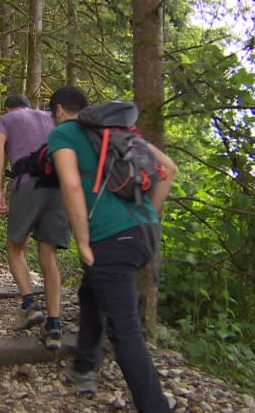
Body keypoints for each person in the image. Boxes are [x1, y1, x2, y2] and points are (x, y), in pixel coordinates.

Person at [48, 86, 177, 412]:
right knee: (92, 289)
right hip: (144, 231)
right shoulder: (116, 132)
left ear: (60, 111)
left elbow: (71, 184)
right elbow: (169, 169)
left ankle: (155, 406)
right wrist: (149, 217)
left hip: (110, 239)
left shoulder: (62, 134)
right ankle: (85, 366)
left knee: (125, 330)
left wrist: (82, 240)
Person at [0, 93, 72, 349]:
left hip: (27, 185)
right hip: (58, 188)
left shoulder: (5, 119)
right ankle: (54, 325)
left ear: (8, 107)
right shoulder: (51, 116)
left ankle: (29, 304)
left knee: (15, 247)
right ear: (29, 105)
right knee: (48, 256)